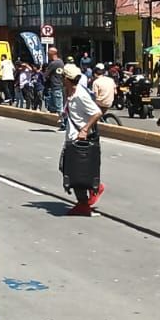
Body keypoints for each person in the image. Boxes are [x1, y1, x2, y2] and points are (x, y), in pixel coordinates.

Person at [59, 62, 106, 215]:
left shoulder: (80, 94)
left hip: (81, 139)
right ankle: (90, 191)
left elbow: (97, 112)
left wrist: (85, 129)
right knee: (65, 167)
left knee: (76, 172)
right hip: (72, 138)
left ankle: (84, 202)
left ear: (66, 78)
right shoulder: (69, 91)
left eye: (62, 76)